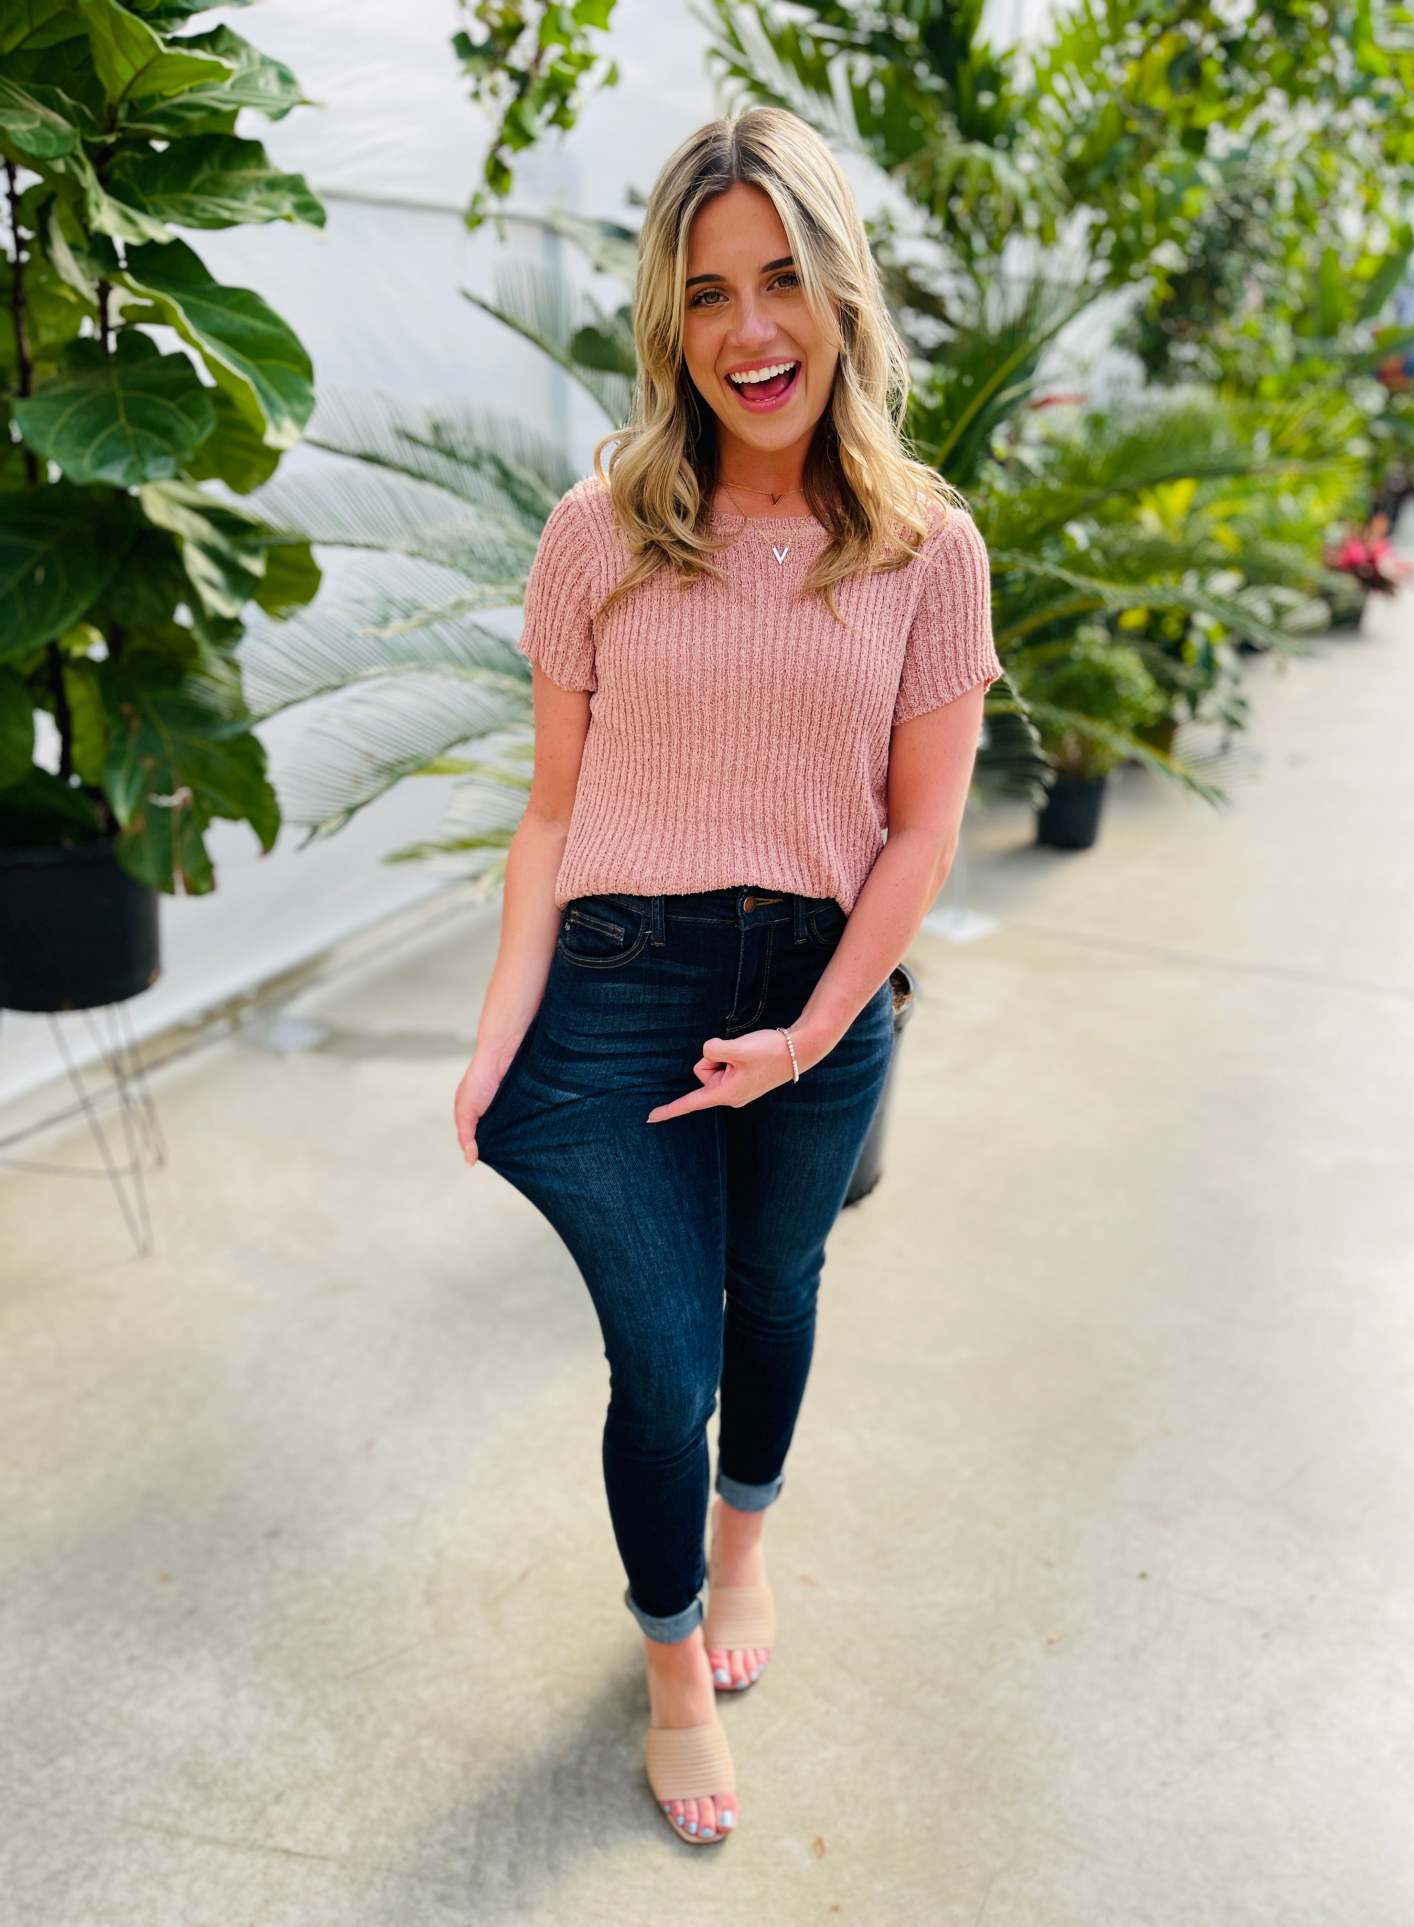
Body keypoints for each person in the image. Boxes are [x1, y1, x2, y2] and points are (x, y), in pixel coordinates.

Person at [452, 104, 1002, 1848]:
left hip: (818, 995)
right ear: (666, 320)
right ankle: (671, 1655)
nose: (747, 331)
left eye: (779, 281)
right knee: (662, 1362)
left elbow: (920, 835)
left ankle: (742, 1540)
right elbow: (551, 813)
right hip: (623, 983)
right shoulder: (597, 530)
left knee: (774, 1294)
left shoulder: (925, 548)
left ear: (839, 293)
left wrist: (813, 1030)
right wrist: (499, 1032)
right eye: (705, 294)